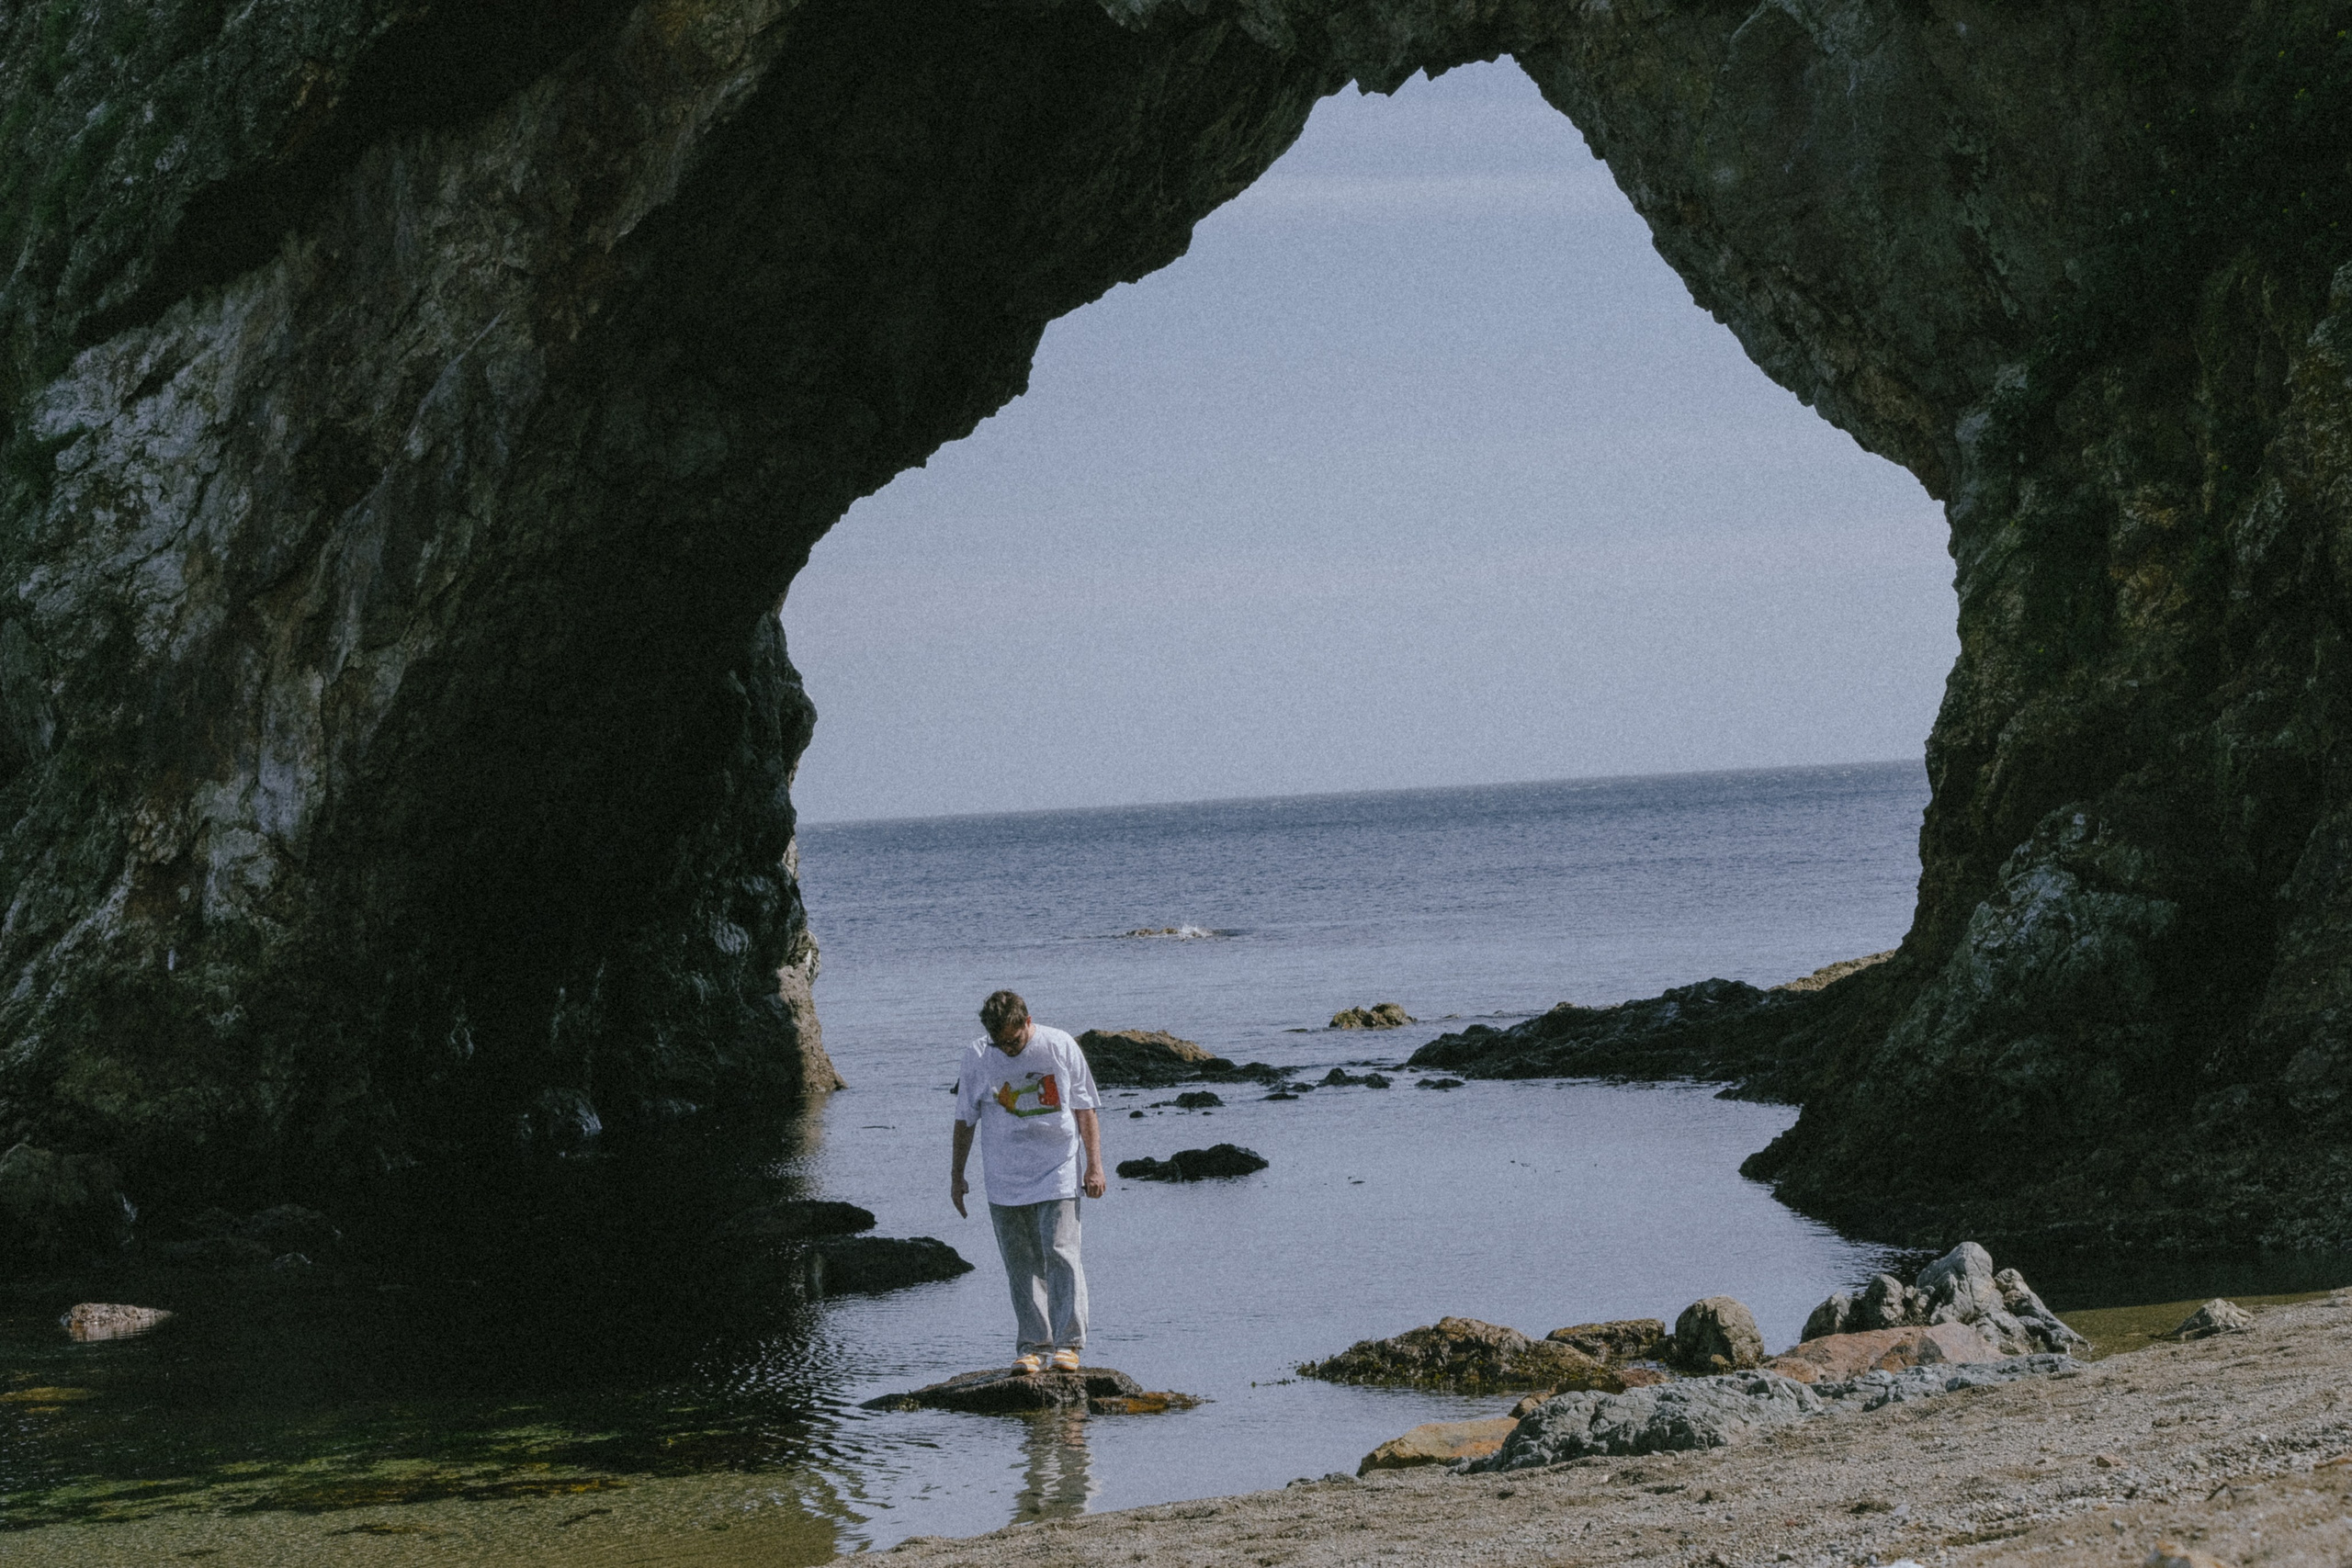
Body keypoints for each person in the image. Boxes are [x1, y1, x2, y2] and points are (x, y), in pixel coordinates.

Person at [951, 988, 1105, 1373]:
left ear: (1027, 1022)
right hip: (1004, 1177)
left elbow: (1084, 1108)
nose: (1007, 1049)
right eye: (999, 1043)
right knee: (1020, 1263)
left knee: (1061, 1252)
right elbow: (964, 1119)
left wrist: (1095, 1166)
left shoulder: (1059, 1045)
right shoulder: (978, 1056)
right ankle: (1033, 1346)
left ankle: (1069, 1345)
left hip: (1058, 1169)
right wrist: (957, 1176)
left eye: (1014, 1041)